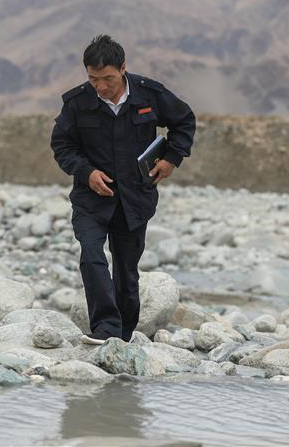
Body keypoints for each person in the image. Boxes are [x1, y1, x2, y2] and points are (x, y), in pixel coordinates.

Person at [50, 35, 195, 344]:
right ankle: (104, 328)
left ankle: (124, 335)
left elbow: (184, 122)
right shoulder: (77, 103)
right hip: (91, 198)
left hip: (135, 198)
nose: (101, 87)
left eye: (108, 79)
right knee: (91, 255)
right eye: (93, 79)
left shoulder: (150, 94)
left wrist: (171, 159)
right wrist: (87, 173)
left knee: (127, 270)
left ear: (123, 68)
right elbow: (62, 146)